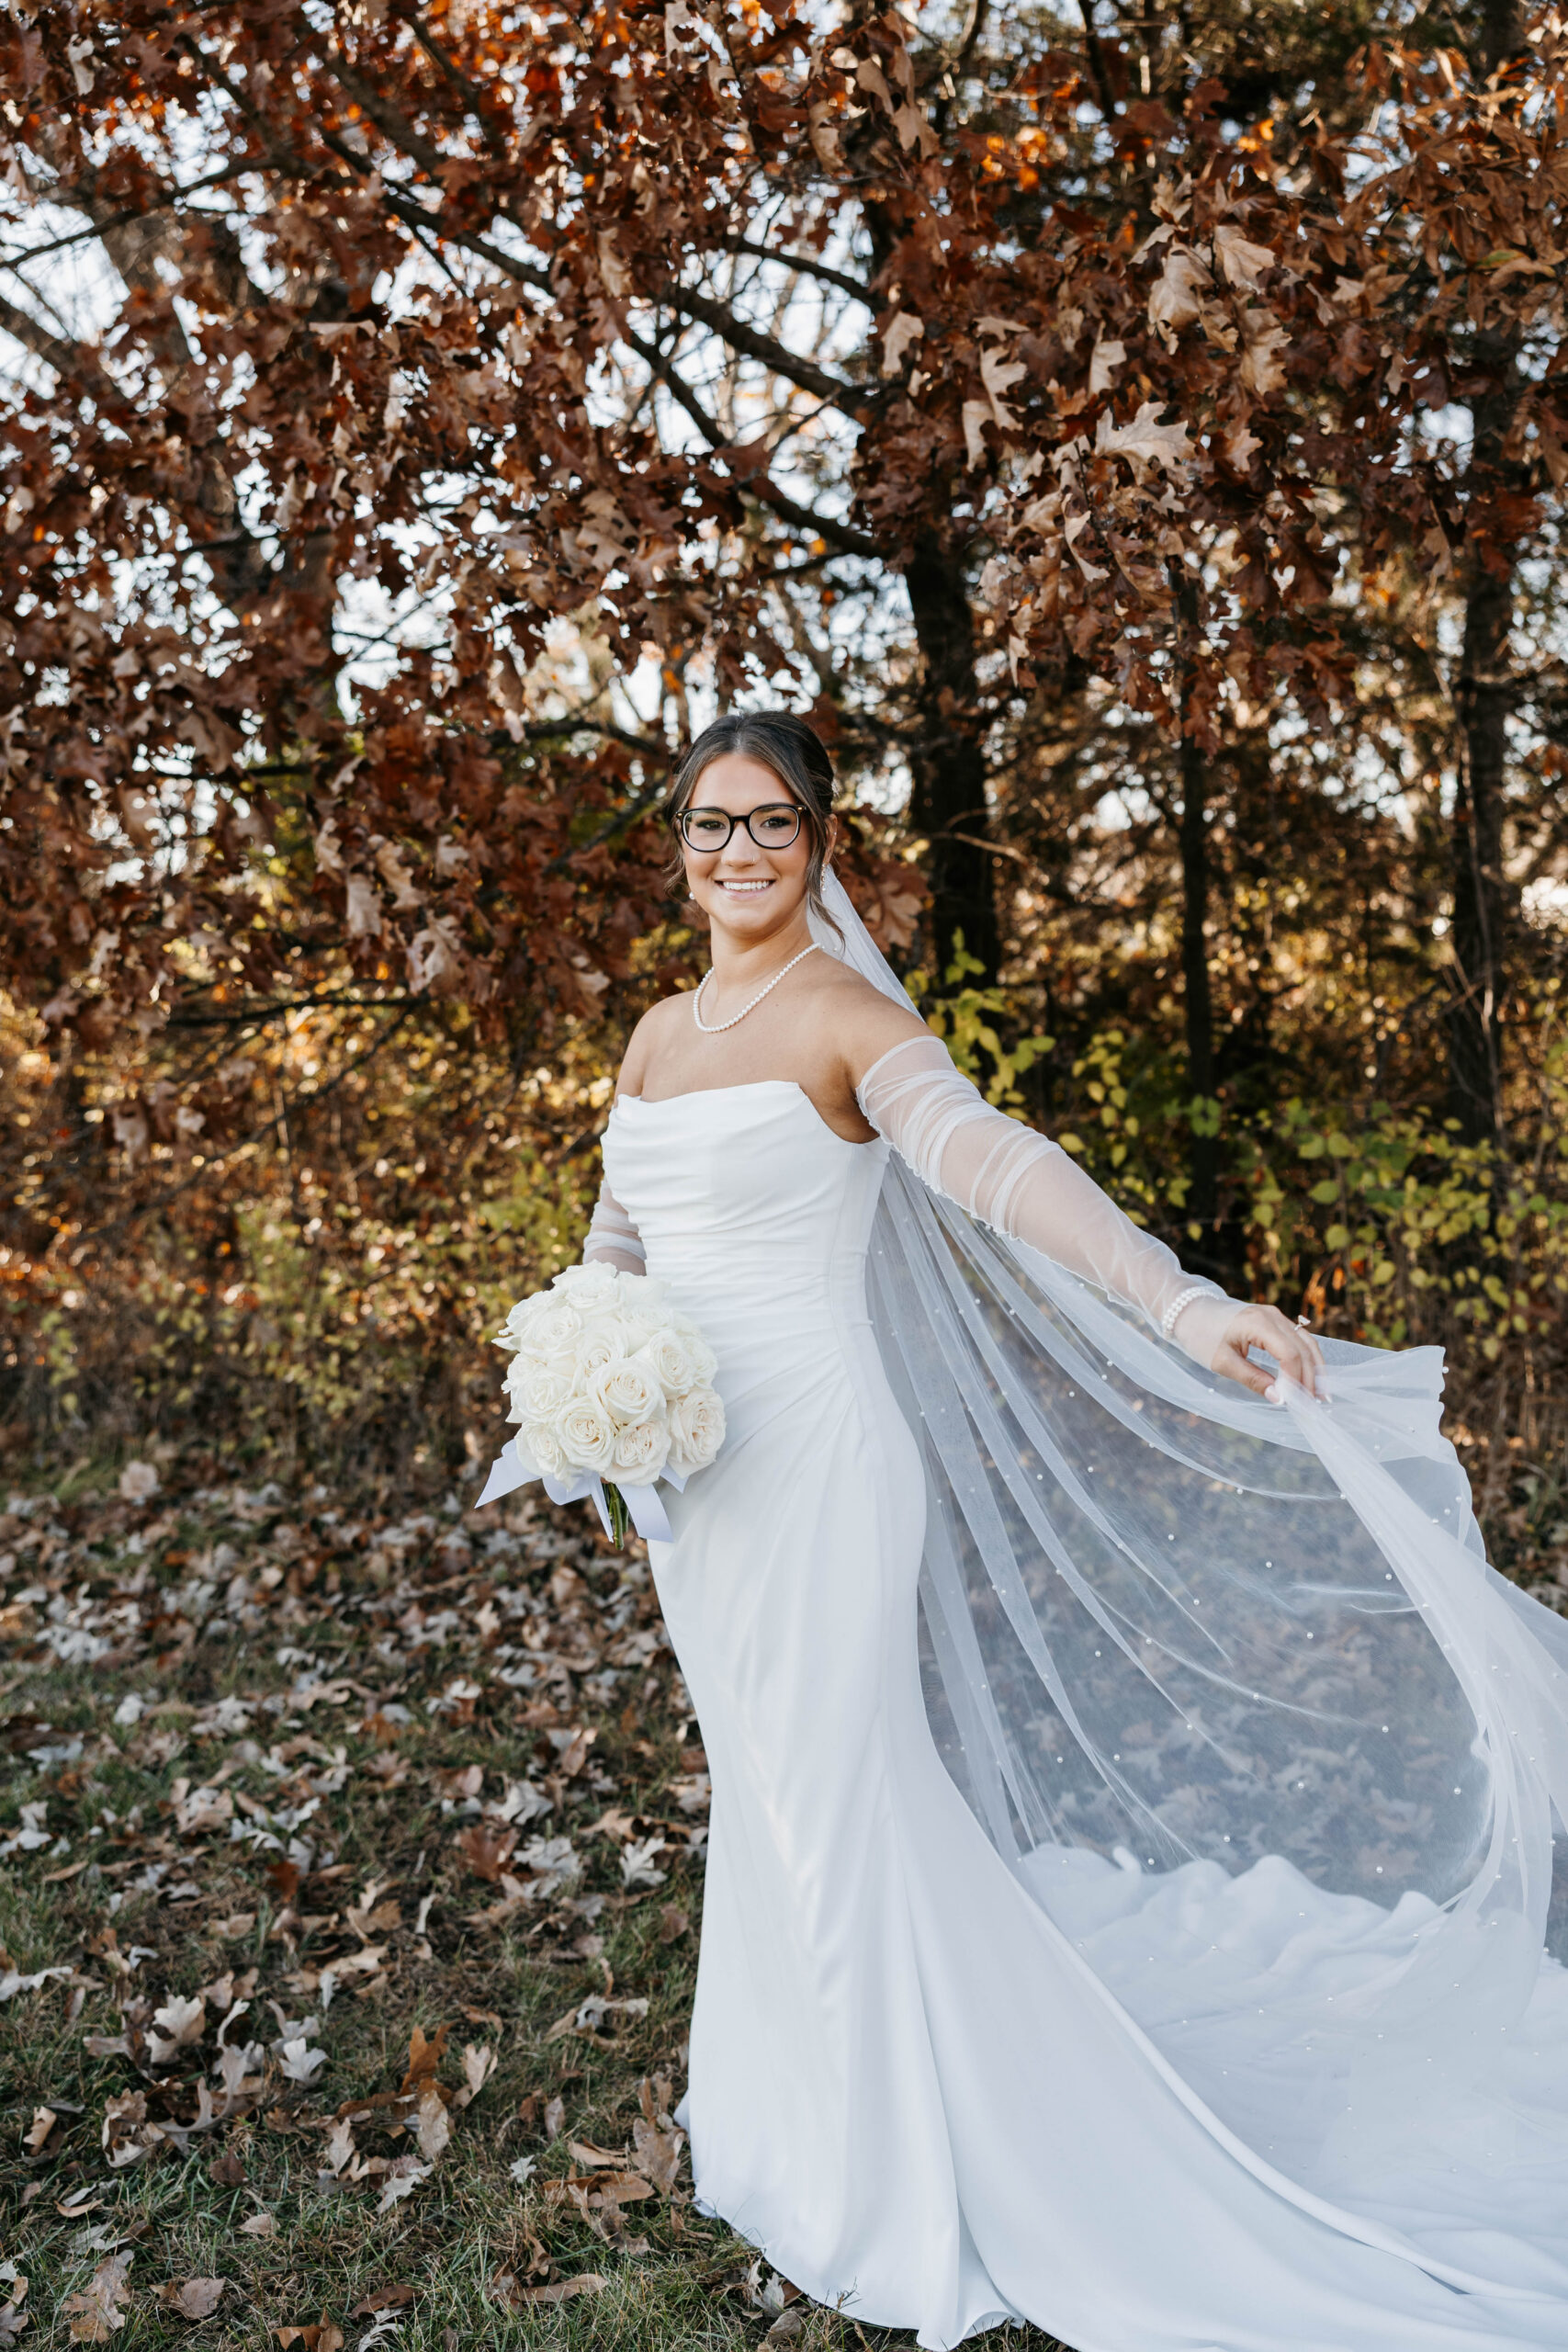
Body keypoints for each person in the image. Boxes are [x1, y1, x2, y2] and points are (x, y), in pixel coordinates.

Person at [585, 711, 1568, 2351]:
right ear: (675, 843)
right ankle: (794, 2128)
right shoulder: (653, 1033)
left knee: (841, 1791)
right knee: (766, 1799)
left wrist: (1177, 1303)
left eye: (771, 825)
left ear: (819, 843)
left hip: (823, 1462)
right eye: (708, 824)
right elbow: (617, 1236)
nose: (737, 853)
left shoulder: (837, 1015)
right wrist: (584, 1373)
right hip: (701, 1481)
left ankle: (901, 2174)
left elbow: (986, 1159)